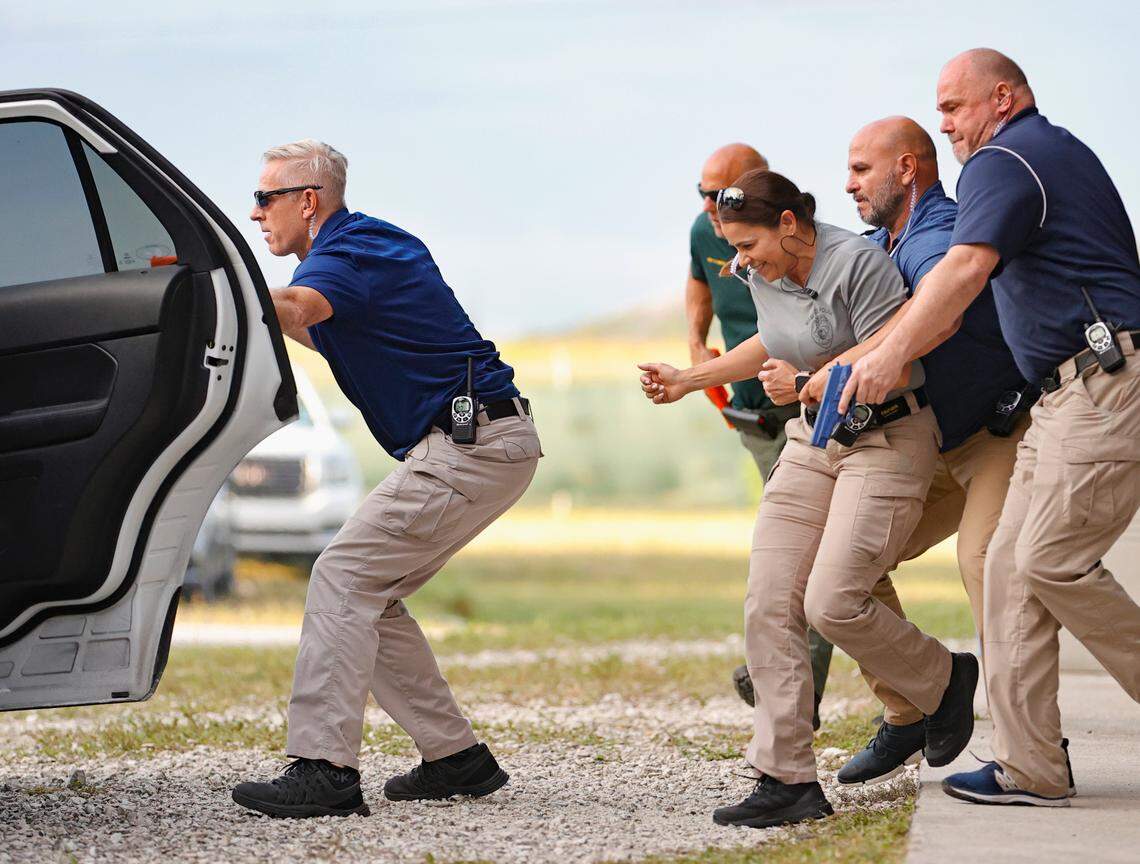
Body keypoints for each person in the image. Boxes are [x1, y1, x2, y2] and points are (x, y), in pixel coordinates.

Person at [842, 48, 1140, 807]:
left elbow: (964, 268)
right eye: (939, 111)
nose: (944, 124)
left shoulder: (1005, 159)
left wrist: (888, 355)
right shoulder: (1038, 154)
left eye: (954, 107)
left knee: (1050, 562)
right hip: (1062, 393)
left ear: (1002, 98)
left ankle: (1032, 761)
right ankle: (1031, 765)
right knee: (1007, 570)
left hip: (1104, 382)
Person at [639, 169, 977, 829]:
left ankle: (944, 680)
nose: (741, 261)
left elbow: (897, 358)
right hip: (812, 441)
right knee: (769, 599)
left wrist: (809, 380)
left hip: (887, 437)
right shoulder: (763, 274)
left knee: (833, 601)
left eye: (749, 245)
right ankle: (787, 778)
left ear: (789, 224)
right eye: (733, 248)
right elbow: (774, 339)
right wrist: (688, 378)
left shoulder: (858, 263)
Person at [232, 140, 542, 818]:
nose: (254, 213)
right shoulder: (364, 252)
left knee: (342, 576)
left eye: (264, 198)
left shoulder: (350, 254)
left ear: (307, 202)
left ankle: (325, 770)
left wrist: (218, 288)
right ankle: (455, 758)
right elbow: (318, 325)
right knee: (368, 592)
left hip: (472, 446)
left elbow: (297, 310)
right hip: (484, 441)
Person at [806, 116, 1028, 786]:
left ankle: (1028, 752)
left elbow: (937, 307)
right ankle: (908, 708)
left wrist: (850, 365)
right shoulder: (880, 243)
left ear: (907, 169)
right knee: (844, 565)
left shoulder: (939, 234)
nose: (848, 185)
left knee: (985, 565)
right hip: (930, 445)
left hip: (992, 438)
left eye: (861, 169)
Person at [689, 143, 833, 726]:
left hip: (805, 413)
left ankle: (795, 690)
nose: (709, 205)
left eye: (718, 194)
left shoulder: (791, 243)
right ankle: (796, 684)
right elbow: (698, 281)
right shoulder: (705, 231)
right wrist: (695, 344)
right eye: (702, 193)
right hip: (751, 419)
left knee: (812, 556)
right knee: (801, 556)